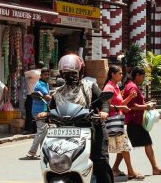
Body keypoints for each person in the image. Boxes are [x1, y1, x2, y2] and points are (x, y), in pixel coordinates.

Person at [47, 54, 112, 183]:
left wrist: (104, 112)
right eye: (65, 73)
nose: (69, 76)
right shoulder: (58, 92)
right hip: (65, 131)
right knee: (54, 158)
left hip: (91, 128)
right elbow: (50, 109)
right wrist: (45, 114)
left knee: (100, 161)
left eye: (72, 72)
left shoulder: (89, 87)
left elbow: (104, 102)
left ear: (80, 72)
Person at [120, 67, 161, 176]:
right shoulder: (132, 87)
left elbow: (135, 103)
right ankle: (155, 168)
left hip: (135, 120)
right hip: (135, 120)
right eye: (142, 76)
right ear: (137, 75)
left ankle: (115, 167)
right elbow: (131, 106)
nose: (142, 79)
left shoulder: (131, 85)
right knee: (145, 143)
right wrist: (146, 106)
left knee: (126, 146)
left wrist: (147, 104)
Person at [104, 64, 140, 179]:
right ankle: (130, 171)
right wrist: (121, 109)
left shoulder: (116, 86)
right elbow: (106, 106)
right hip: (112, 121)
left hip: (118, 121)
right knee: (124, 147)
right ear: (112, 74)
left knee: (123, 147)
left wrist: (129, 97)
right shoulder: (109, 87)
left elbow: (120, 103)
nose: (122, 75)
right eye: (119, 73)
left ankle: (115, 169)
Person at [26, 67, 51, 159]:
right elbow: (47, 97)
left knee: (44, 132)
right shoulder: (40, 84)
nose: (47, 76)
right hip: (39, 111)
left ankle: (43, 152)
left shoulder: (45, 83)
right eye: (45, 74)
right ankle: (32, 152)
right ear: (41, 75)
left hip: (43, 110)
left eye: (48, 74)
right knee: (41, 131)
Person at [23, 62, 43, 135]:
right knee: (37, 112)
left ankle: (29, 129)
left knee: (29, 113)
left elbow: (23, 74)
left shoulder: (33, 72)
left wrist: (28, 67)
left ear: (36, 65)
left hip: (31, 95)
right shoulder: (42, 73)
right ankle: (36, 128)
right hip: (40, 96)